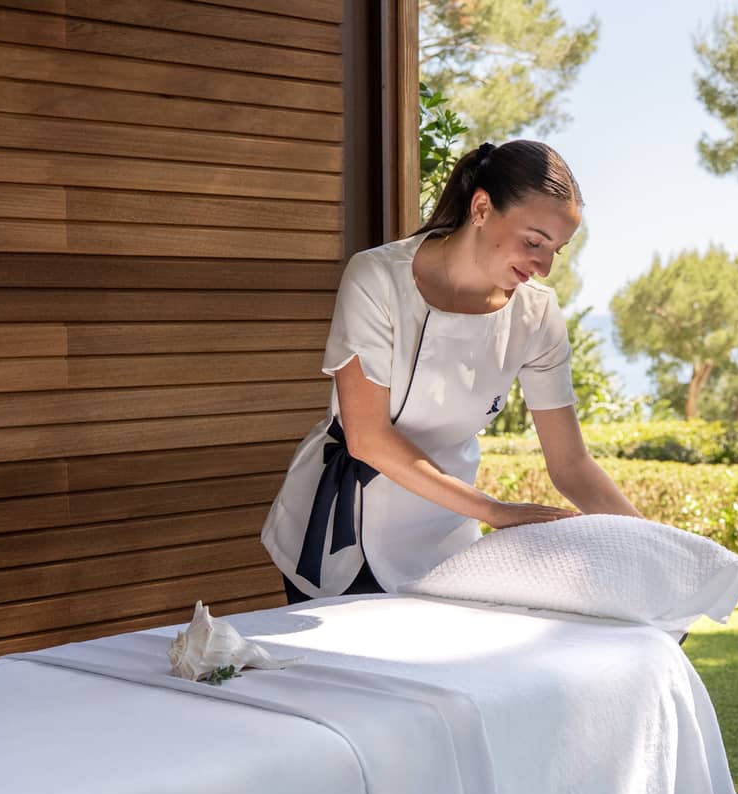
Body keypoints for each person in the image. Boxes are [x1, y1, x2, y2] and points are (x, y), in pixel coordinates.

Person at [262, 140, 641, 603]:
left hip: (442, 531)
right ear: (481, 207)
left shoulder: (536, 315)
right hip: (342, 534)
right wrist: (495, 512)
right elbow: (368, 437)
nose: (542, 267)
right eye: (533, 241)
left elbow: (571, 464)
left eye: (555, 251)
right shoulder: (377, 278)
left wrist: (650, 548)